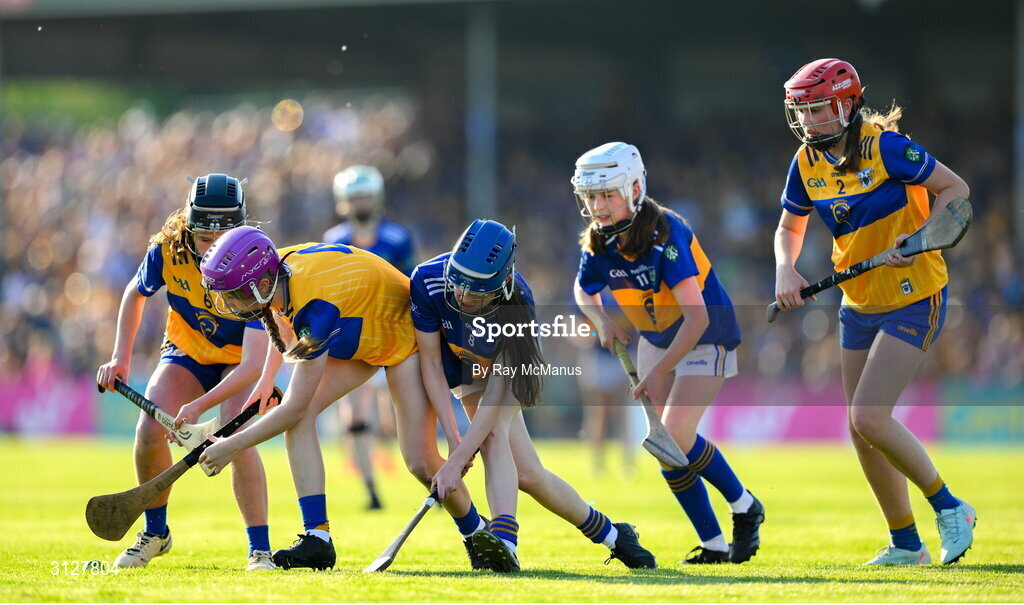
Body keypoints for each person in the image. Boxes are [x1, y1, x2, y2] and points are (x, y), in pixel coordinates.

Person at [192, 227, 491, 572]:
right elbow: (280, 315)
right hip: (356, 333)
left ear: (259, 285)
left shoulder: (316, 305)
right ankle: (317, 538)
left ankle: (476, 531)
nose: (228, 304)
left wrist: (232, 445)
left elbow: (293, 406)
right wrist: (266, 379)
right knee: (301, 418)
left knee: (420, 462)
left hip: (400, 338)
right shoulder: (277, 268)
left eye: (233, 295)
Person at [775, 58, 975, 565]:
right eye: (801, 112)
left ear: (846, 104)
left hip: (913, 295)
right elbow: (789, 228)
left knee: (869, 415)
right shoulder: (805, 162)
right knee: (857, 426)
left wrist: (922, 237)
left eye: (817, 110)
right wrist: (785, 270)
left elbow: (957, 191)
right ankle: (906, 543)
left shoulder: (887, 148)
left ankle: (951, 508)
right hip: (858, 301)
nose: (807, 122)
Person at [417, 220, 657, 573]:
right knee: (529, 475)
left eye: (477, 290)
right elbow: (430, 364)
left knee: (493, 433)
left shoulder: (518, 304)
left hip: (509, 364)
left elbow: (494, 401)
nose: (463, 296)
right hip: (463, 362)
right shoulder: (427, 280)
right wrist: (454, 439)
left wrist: (458, 459)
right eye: (460, 284)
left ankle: (505, 543)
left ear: (502, 283)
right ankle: (614, 535)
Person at [572, 142, 764, 565]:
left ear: (635, 188)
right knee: (665, 447)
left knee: (675, 433)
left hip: (705, 335)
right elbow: (583, 289)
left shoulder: (667, 233)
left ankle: (745, 505)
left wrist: (658, 369)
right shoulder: (599, 242)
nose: (598, 206)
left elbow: (695, 319)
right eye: (591, 196)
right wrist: (601, 321)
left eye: (608, 194)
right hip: (654, 341)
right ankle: (713, 543)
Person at [95, 174, 275, 571]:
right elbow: (134, 293)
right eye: (204, 239)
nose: (212, 249)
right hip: (187, 350)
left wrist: (198, 409)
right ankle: (156, 534)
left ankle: (259, 549)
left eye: (221, 239)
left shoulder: (259, 260)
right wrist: (120, 358)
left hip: (237, 360)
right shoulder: (167, 249)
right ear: (189, 228)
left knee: (237, 436)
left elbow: (252, 365)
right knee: (148, 432)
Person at [321, 165, 416, 511]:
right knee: (356, 417)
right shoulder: (334, 240)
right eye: (354, 197)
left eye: (365, 195)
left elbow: (411, 286)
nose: (360, 202)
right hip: (352, 340)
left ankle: (432, 475)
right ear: (343, 202)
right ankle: (372, 491)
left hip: (392, 335)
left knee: (399, 414)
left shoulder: (397, 239)